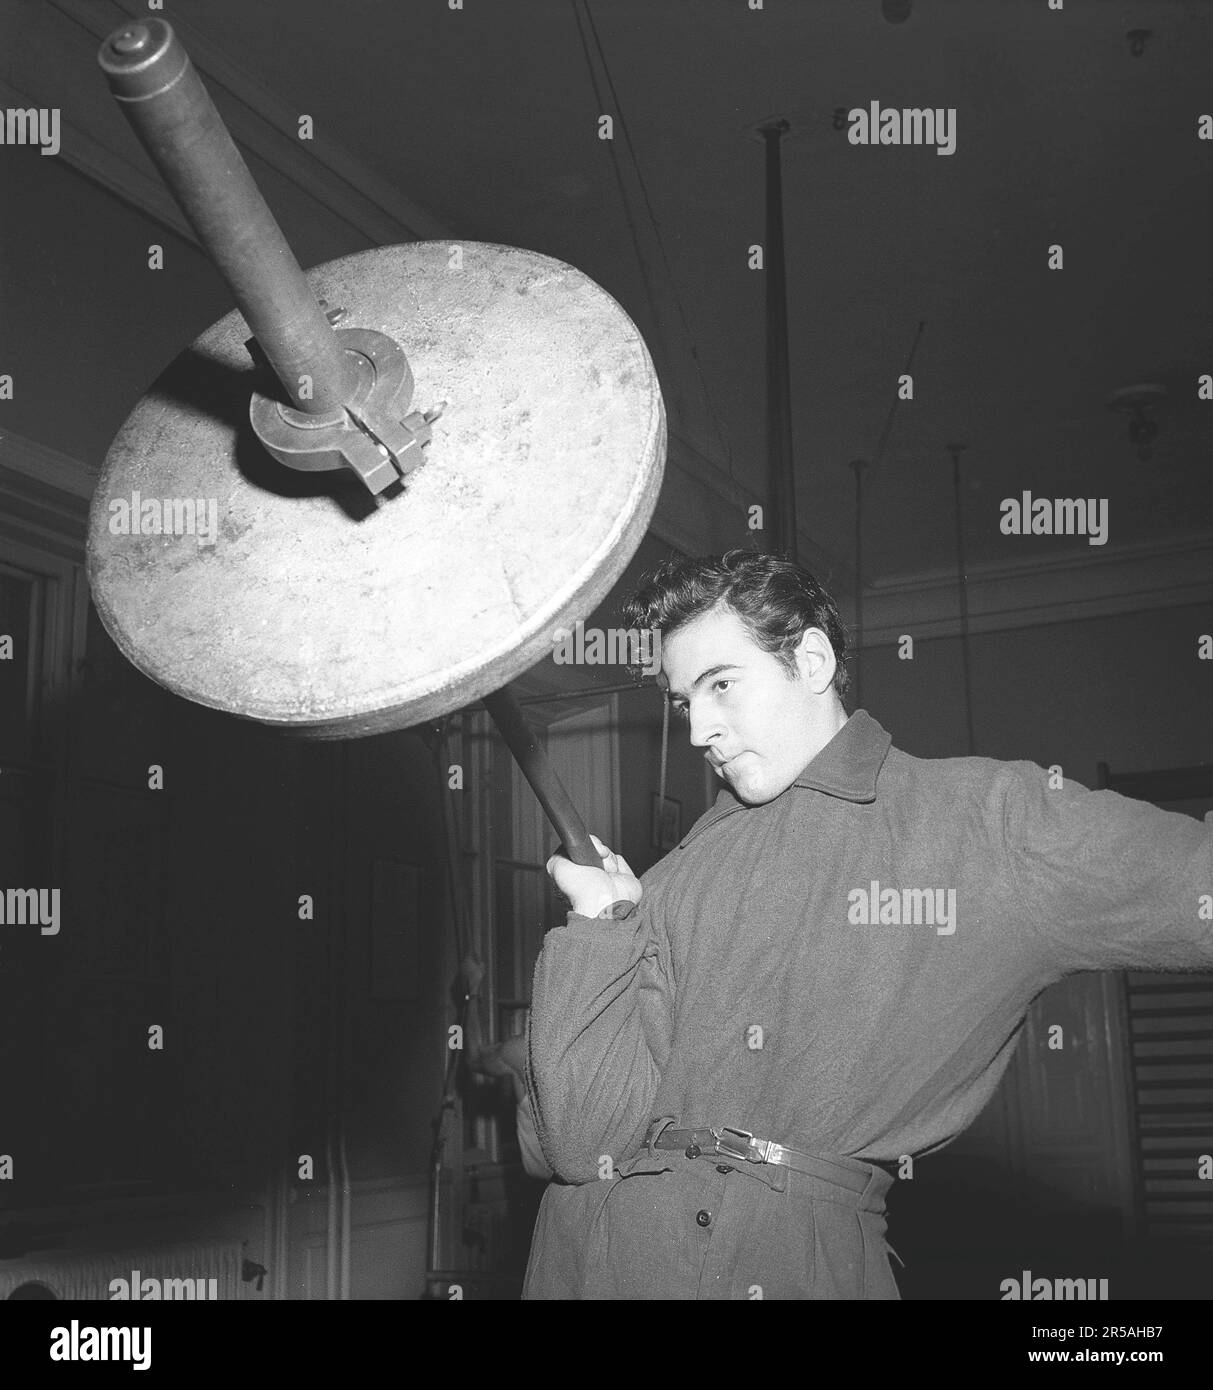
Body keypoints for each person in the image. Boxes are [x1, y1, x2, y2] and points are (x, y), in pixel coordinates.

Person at [521, 549, 1212, 1300]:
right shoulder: (668, 880)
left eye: (722, 685)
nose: (698, 731)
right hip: (584, 1264)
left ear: (810, 660)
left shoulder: (986, 823)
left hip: (791, 1267)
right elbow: (575, 1140)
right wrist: (602, 927)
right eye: (685, 702)